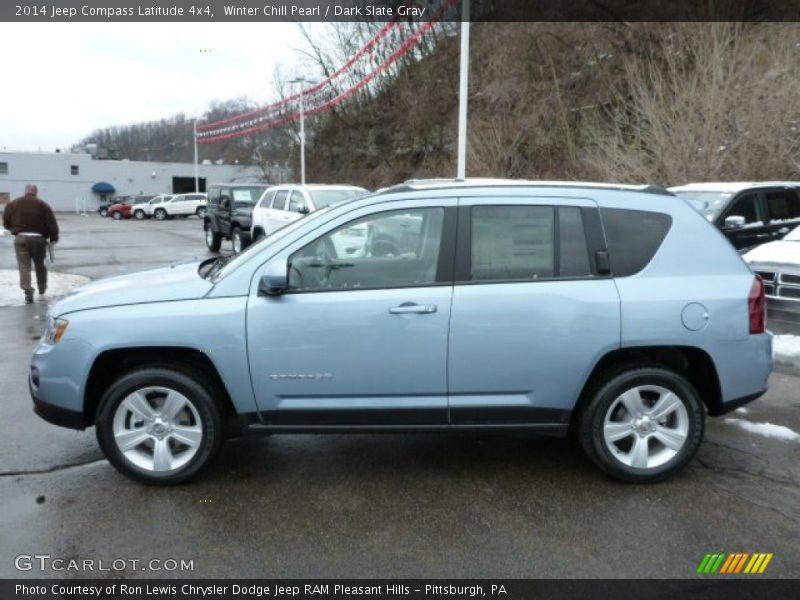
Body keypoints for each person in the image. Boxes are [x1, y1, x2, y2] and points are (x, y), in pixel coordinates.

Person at [2, 184, 59, 303]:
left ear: (26, 191)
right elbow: (51, 223)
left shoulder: (13, 204)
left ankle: (28, 291)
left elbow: (6, 220)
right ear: (35, 192)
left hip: (20, 238)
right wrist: (53, 238)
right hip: (38, 239)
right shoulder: (42, 205)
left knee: (24, 266)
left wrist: (13, 229)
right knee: (40, 265)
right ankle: (42, 287)